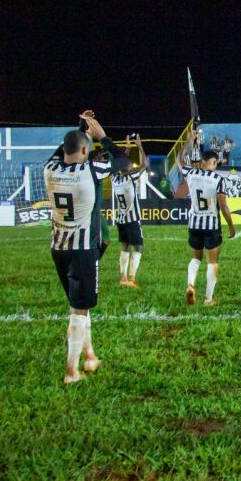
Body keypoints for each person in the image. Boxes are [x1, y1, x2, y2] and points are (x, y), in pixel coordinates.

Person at [44, 110, 130, 384]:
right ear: (84, 149)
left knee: (77, 305)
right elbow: (124, 162)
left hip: (58, 246)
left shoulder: (50, 169)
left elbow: (65, 149)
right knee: (79, 310)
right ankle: (71, 371)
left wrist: (80, 128)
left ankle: (90, 354)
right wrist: (102, 137)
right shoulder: (90, 170)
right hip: (82, 250)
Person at [179, 134, 237, 306]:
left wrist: (189, 142)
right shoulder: (218, 180)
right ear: (213, 162)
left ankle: (191, 284)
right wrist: (232, 227)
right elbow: (223, 206)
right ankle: (208, 298)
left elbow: (179, 160)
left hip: (194, 223)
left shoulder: (190, 173)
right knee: (212, 262)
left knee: (195, 258)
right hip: (211, 225)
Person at [112, 134, 147, 288]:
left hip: (120, 219)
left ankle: (123, 277)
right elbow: (144, 165)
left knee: (125, 246)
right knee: (138, 246)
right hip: (132, 219)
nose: (131, 164)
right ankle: (132, 278)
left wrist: (126, 148)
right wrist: (139, 146)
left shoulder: (114, 179)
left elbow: (119, 164)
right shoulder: (131, 177)